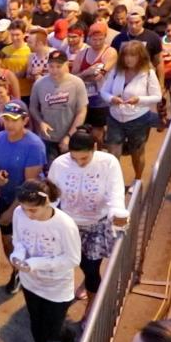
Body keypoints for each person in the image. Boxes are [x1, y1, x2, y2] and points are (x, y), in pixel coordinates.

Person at [47, 128, 127, 319]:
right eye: (75, 159)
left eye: (84, 158)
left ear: (94, 148)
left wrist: (118, 213)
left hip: (95, 225)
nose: (79, 163)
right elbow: (51, 196)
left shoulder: (108, 163)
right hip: (68, 225)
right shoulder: (59, 164)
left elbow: (116, 194)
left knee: (91, 268)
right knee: (65, 266)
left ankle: (92, 306)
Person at [10, 179, 81, 342]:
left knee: (54, 330)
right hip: (30, 282)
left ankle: (68, 336)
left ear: (47, 202)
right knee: (36, 324)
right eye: (24, 208)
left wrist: (36, 263)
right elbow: (18, 240)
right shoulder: (19, 213)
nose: (27, 213)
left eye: (33, 210)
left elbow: (72, 258)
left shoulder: (65, 225)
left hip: (56, 287)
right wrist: (17, 255)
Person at [0, 100, 47, 294]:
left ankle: (34, 275)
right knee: (7, 241)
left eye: (14, 120)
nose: (9, 124)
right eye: (6, 119)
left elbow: (29, 187)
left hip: (31, 205)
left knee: (31, 242)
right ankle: (17, 272)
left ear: (25, 120)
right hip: (6, 197)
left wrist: (10, 211)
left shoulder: (34, 145)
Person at [100, 41, 163, 185]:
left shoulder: (148, 73)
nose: (128, 59)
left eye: (133, 55)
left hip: (138, 119)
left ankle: (138, 179)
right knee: (113, 152)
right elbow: (104, 90)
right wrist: (111, 98)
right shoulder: (117, 70)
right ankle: (113, 183)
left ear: (140, 56)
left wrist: (138, 99)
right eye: (126, 55)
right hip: (115, 117)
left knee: (137, 152)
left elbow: (157, 96)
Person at [29, 50, 89, 162]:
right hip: (47, 137)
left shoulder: (77, 83)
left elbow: (81, 111)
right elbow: (33, 107)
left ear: (66, 64)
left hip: (71, 137)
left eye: (58, 66)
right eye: (51, 66)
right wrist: (40, 122)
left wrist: (69, 136)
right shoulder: (39, 83)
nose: (54, 70)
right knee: (51, 172)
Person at [74, 22, 119, 146]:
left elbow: (99, 75)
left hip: (101, 97)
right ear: (89, 39)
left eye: (101, 39)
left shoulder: (110, 52)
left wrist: (86, 75)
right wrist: (87, 72)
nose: (98, 42)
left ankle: (99, 150)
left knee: (96, 132)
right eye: (94, 39)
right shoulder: (82, 54)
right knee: (84, 129)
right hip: (85, 96)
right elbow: (74, 78)